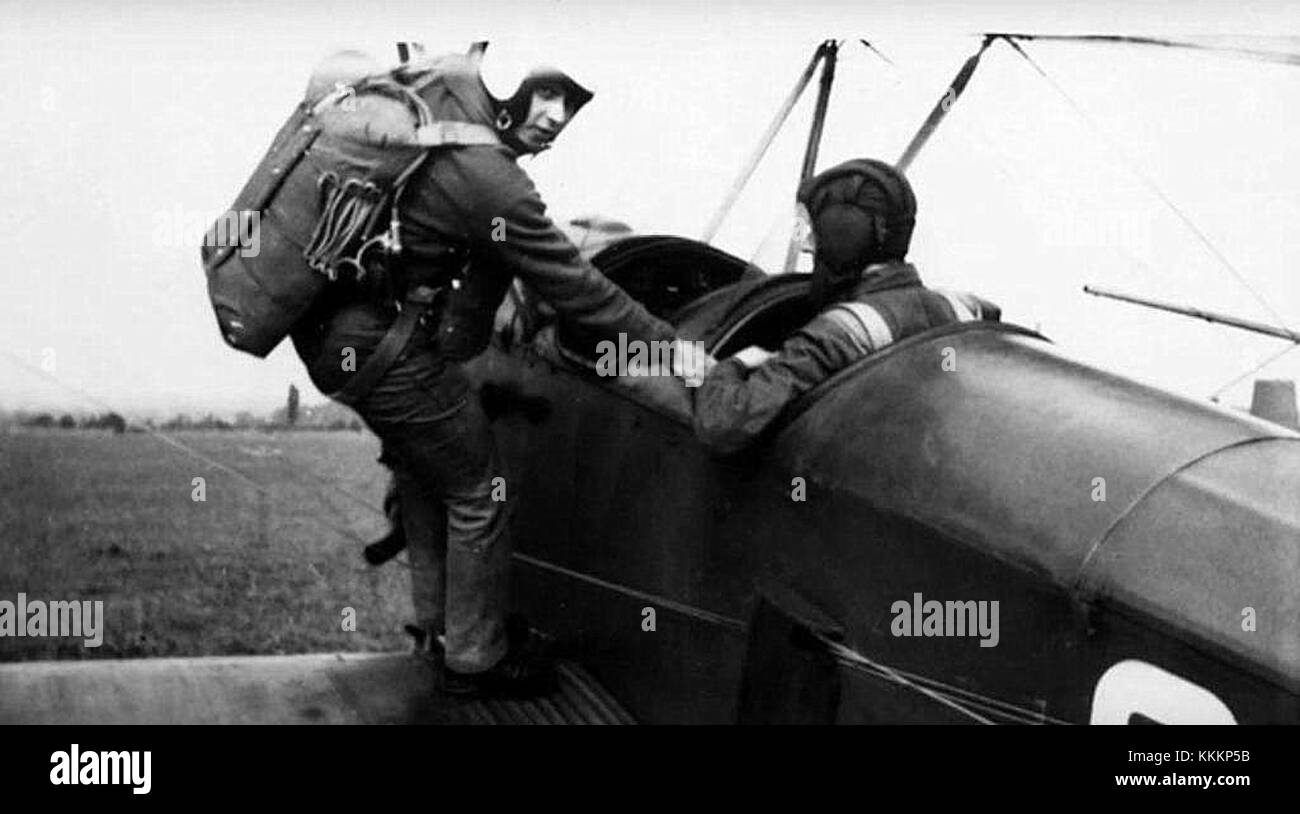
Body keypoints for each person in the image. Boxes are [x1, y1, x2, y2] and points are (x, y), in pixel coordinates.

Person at [291, 44, 704, 696]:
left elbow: (469, 308)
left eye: (571, 103)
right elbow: (577, 287)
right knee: (481, 490)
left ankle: (440, 628)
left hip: (338, 338)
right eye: (549, 93)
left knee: (427, 469)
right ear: (508, 83)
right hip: (379, 347)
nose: (558, 116)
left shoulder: (449, 139)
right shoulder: (488, 177)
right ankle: (476, 660)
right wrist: (676, 349)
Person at [692, 158, 998, 454]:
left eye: (818, 231)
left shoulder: (838, 333)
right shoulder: (965, 311)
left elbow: (723, 424)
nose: (808, 245)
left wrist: (730, 367)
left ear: (845, 235)